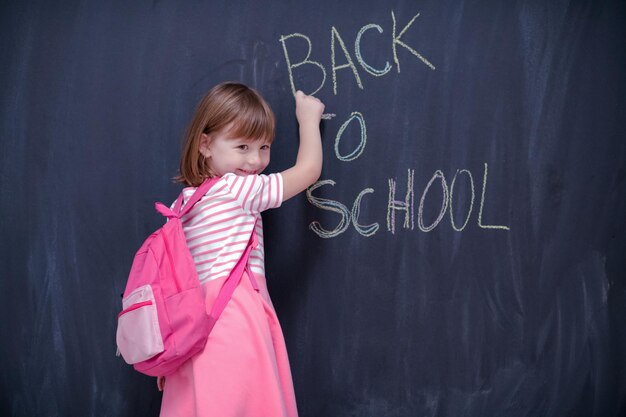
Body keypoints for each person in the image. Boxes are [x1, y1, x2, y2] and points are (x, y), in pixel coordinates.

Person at [157, 82, 324, 417]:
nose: (255, 160)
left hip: (191, 326)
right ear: (205, 144)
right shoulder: (237, 189)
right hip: (233, 317)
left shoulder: (185, 203)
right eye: (242, 146)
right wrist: (309, 120)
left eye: (264, 147)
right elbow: (308, 172)